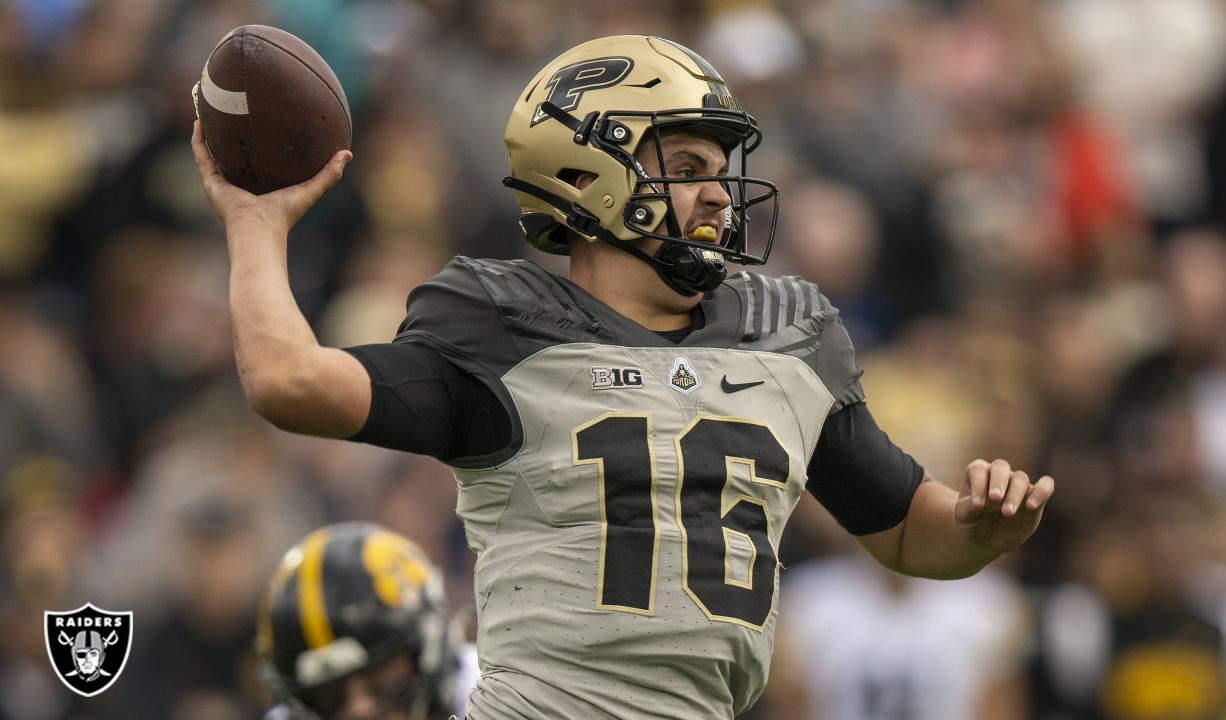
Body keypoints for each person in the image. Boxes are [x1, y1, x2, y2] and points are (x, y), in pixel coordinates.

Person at [193, 34, 1055, 720]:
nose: (719, 196)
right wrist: (256, 226)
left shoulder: (789, 335)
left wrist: (980, 527)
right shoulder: (506, 331)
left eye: (719, 172)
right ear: (586, 177)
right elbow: (288, 382)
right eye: (686, 170)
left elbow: (908, 532)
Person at [258, 522, 462, 720]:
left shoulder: (489, 698)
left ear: (429, 645)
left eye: (378, 677)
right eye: (331, 696)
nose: (360, 710)